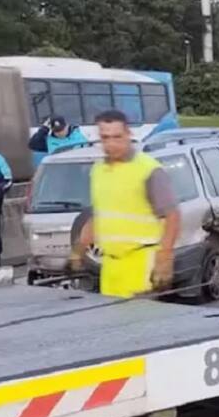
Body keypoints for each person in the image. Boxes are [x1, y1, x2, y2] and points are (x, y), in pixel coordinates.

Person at [70, 110, 181, 298]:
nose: (111, 143)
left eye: (117, 136)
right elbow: (99, 216)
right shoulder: (98, 171)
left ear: (128, 134)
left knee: (140, 325)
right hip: (112, 268)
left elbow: (172, 215)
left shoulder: (148, 169)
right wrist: (78, 251)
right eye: (105, 138)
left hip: (143, 266)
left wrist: (165, 258)